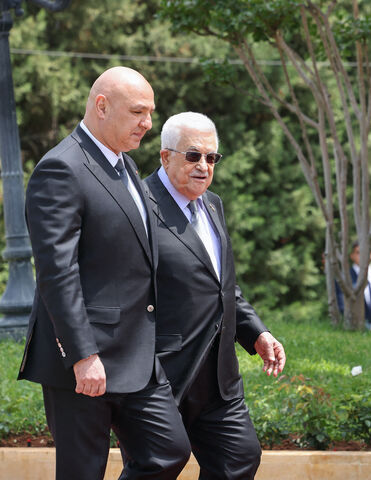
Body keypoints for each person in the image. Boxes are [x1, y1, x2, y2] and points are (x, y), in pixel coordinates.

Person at [17, 67, 190, 480]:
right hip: (84, 359)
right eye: (138, 112)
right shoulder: (60, 168)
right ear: (101, 106)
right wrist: (83, 355)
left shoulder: (125, 165)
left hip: (136, 356)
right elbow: (57, 272)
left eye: (150, 113)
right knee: (83, 471)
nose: (148, 123)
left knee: (168, 451)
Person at [144, 112, 286, 479]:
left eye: (211, 158)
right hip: (161, 373)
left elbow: (223, 287)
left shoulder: (213, 204)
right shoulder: (138, 206)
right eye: (193, 155)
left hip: (219, 378)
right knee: (158, 466)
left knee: (239, 458)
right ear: (165, 156)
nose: (204, 166)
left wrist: (257, 333)